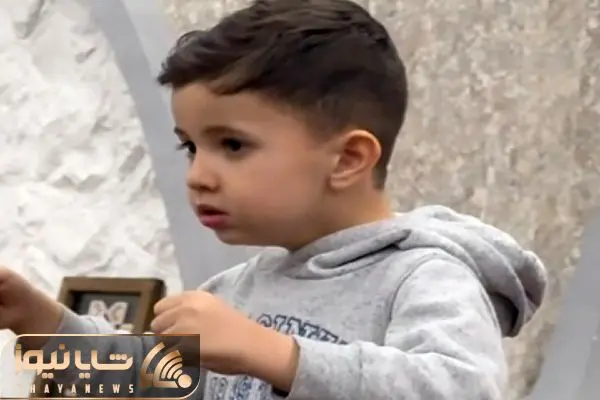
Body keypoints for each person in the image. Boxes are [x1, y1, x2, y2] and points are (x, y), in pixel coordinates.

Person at [0, 0, 547, 398]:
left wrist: (273, 353)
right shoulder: (237, 289)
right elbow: (152, 380)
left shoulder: (424, 276)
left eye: (232, 145)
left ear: (348, 159)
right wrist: (39, 321)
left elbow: (461, 388)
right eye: (191, 147)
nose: (198, 176)